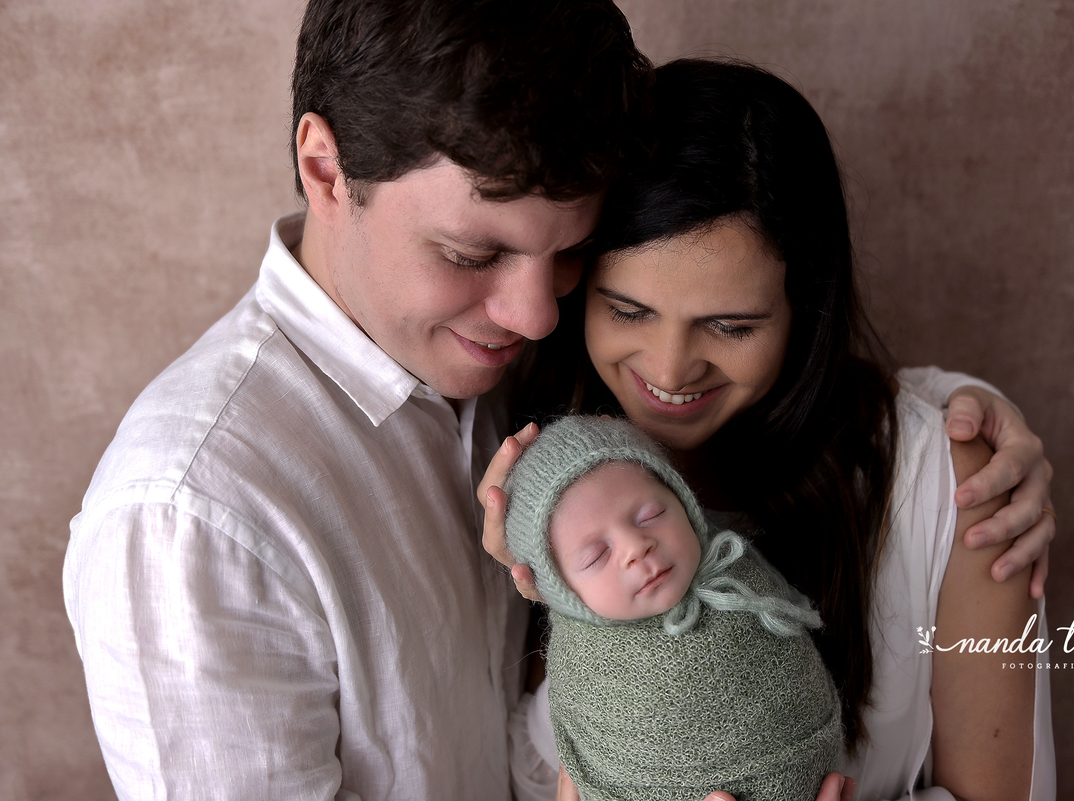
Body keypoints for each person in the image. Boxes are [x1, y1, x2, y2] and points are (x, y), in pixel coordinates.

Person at [62, 2, 653, 798]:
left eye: (570, 251)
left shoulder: (517, 375)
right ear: (326, 169)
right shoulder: (189, 517)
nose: (538, 314)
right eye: (471, 253)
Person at [482, 60, 1056, 801]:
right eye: (627, 310)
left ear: (804, 310)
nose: (669, 368)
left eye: (730, 325)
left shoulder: (952, 486)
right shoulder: (525, 469)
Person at [503, 416, 841, 801]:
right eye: (597, 555)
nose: (636, 547)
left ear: (684, 500)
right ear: (560, 592)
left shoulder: (742, 581)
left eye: (651, 516)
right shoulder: (584, 673)